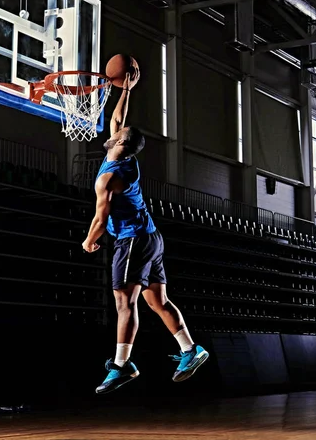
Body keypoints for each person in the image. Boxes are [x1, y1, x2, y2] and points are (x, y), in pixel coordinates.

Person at [82, 69, 209, 394]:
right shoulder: (127, 159)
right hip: (152, 237)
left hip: (132, 239)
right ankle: (190, 349)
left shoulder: (109, 178)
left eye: (118, 131)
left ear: (121, 141)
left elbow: (100, 218)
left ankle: (122, 366)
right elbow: (118, 116)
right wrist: (126, 89)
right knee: (158, 301)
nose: (113, 127)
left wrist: (89, 241)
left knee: (125, 302)